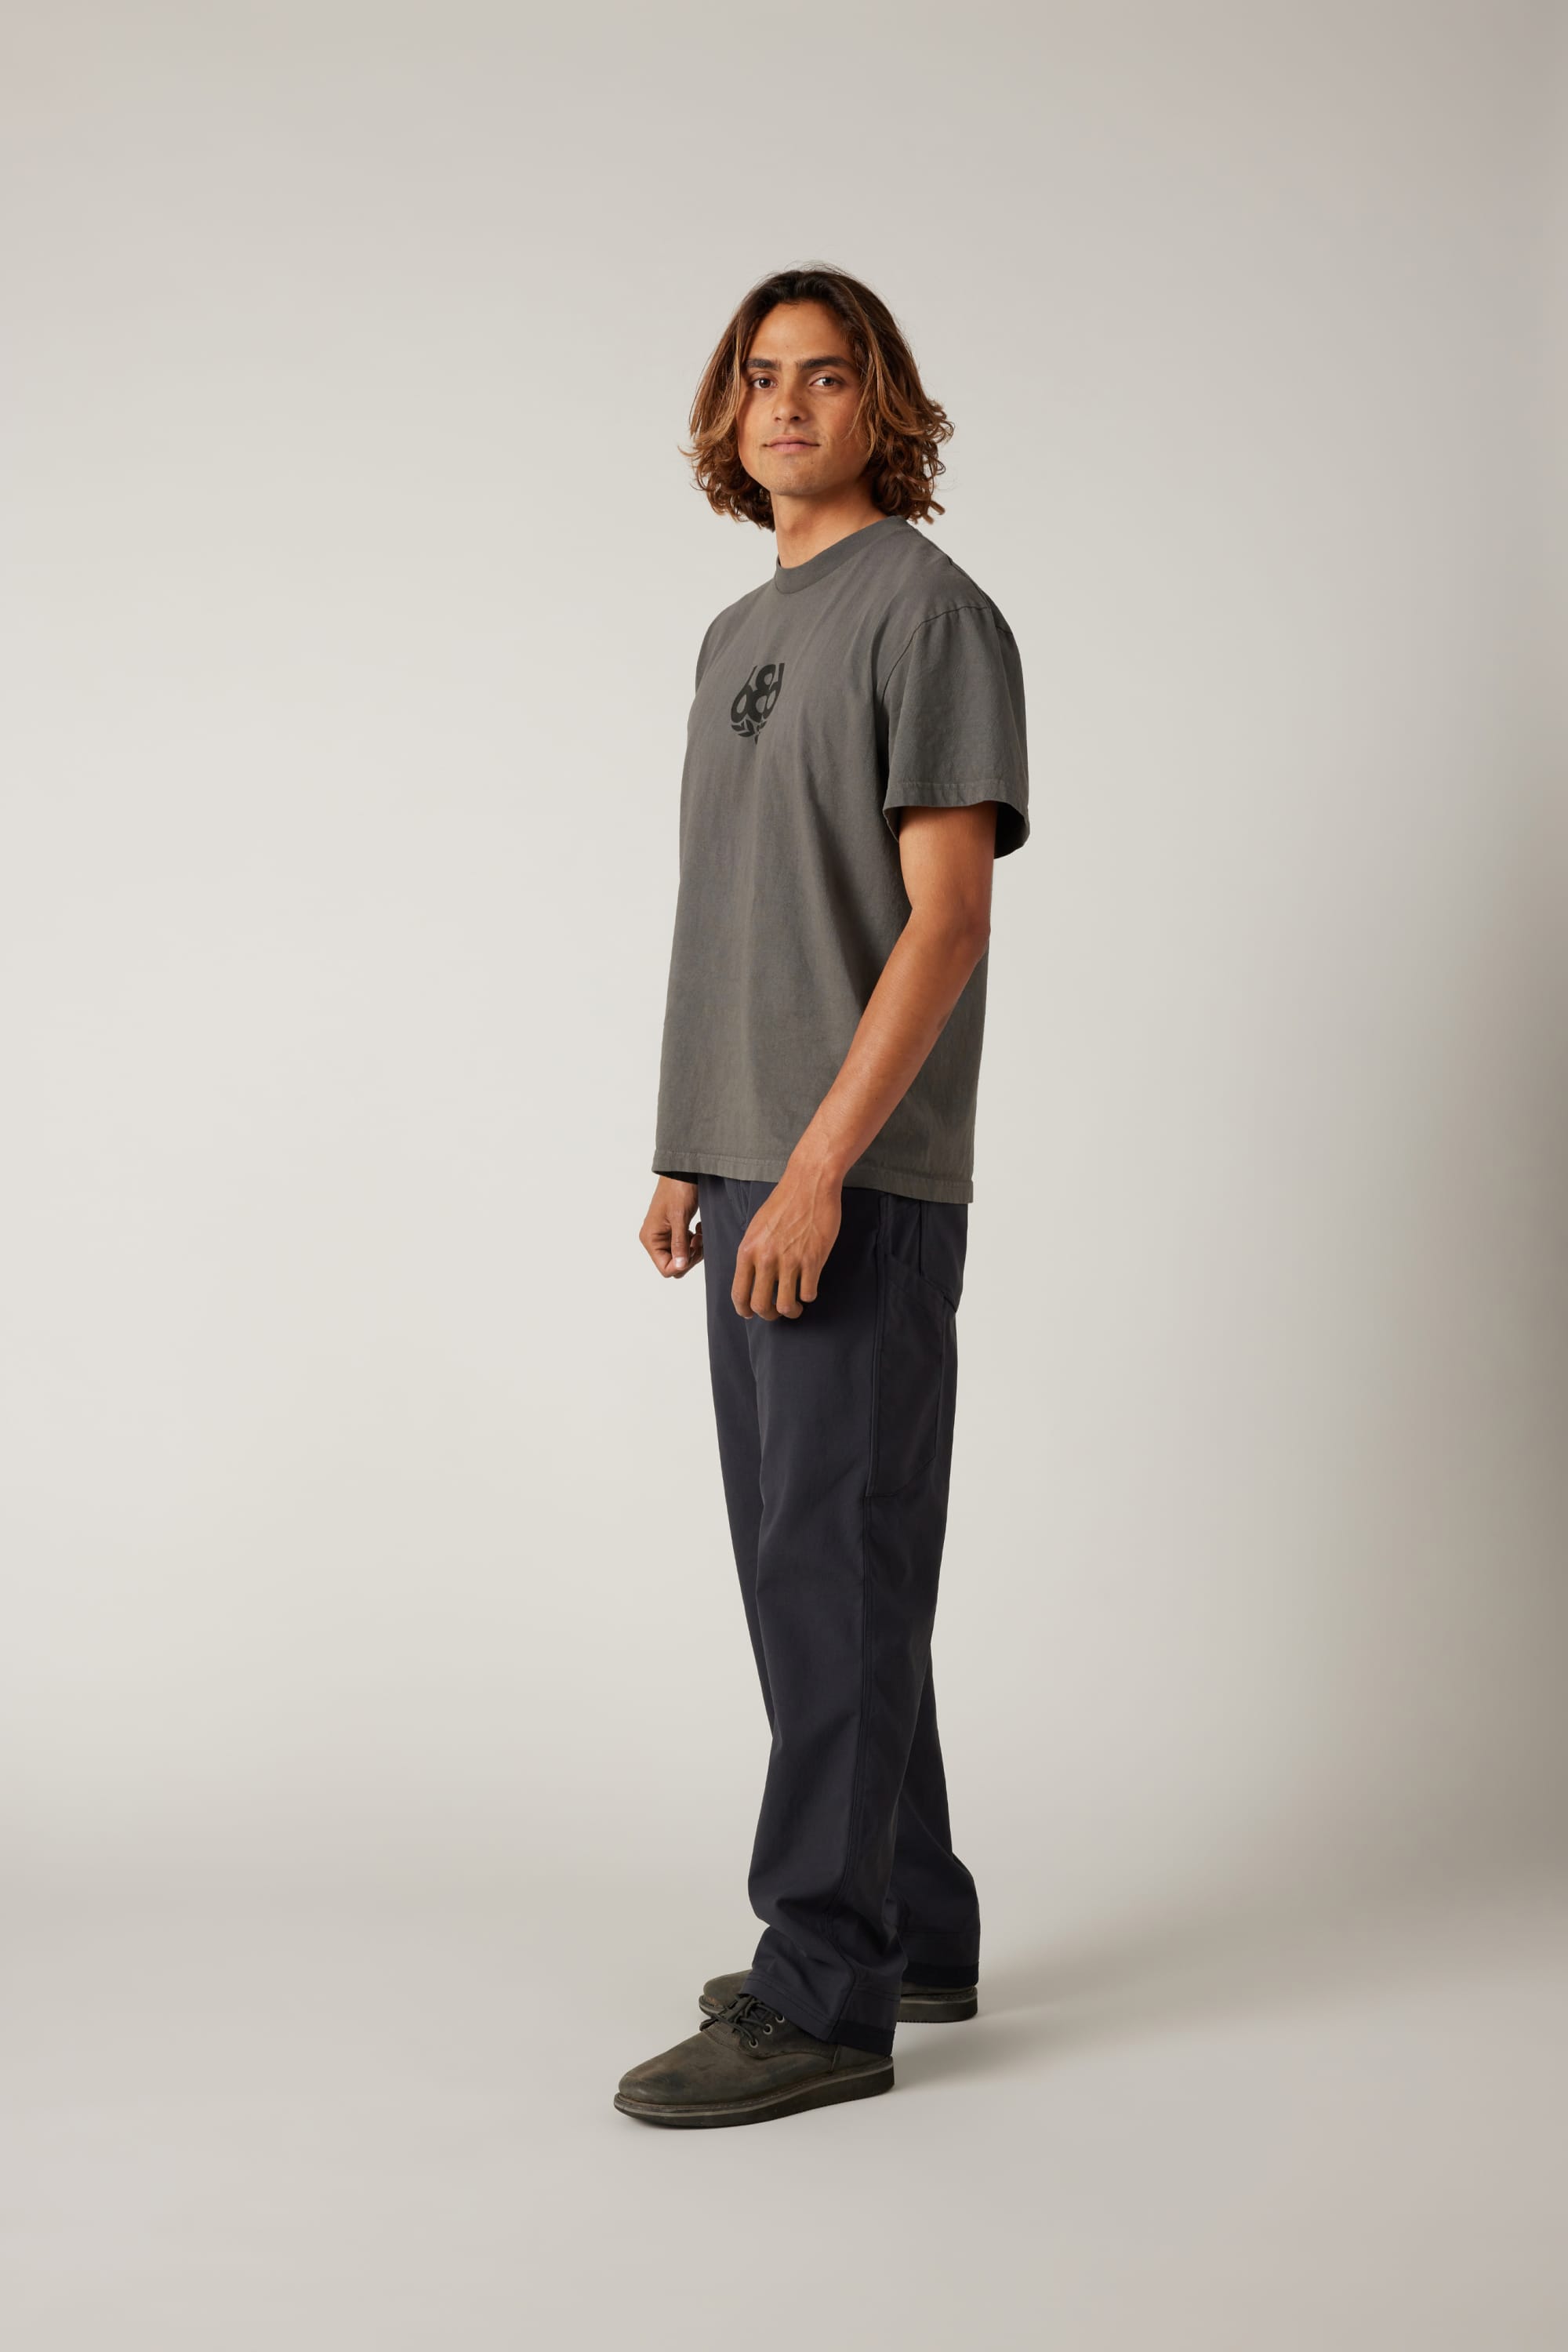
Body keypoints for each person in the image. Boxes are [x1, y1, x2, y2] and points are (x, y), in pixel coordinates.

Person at [616, 264, 1029, 2129]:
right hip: (750, 1165)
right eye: (760, 377)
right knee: (820, 1570)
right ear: (727, 413)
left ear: (885, 408)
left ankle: (823, 1988)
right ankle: (910, 1923)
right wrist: (688, 1144)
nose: (788, 405)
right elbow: (747, 916)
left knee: (828, 1564)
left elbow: (944, 923)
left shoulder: (931, 614)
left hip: (847, 1181)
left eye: (829, 377)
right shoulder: (730, 634)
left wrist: (809, 1167)